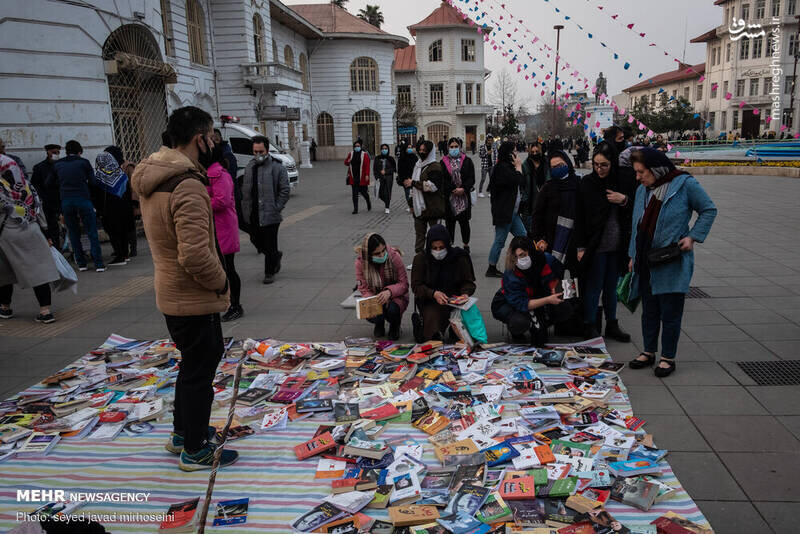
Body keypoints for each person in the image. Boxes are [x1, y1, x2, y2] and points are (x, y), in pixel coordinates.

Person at [131, 106, 238, 471]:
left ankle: (183, 433)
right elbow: (194, 254)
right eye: (211, 137)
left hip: (171, 292)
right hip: (192, 297)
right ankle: (195, 449)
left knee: (190, 367)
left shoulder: (156, 176)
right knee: (200, 372)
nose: (214, 144)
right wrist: (222, 282)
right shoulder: (187, 184)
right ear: (199, 139)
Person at [627, 148, 717, 377]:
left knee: (670, 312)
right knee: (648, 311)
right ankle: (648, 352)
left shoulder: (684, 184)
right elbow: (636, 225)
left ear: (655, 169)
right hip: (645, 260)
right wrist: (632, 255)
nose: (638, 177)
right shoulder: (642, 190)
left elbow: (708, 209)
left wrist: (692, 237)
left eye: (641, 172)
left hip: (671, 260)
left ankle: (668, 357)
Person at [575, 142, 635, 341]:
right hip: (596, 245)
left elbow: (636, 207)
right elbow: (580, 217)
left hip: (618, 245)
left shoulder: (622, 181)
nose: (599, 169)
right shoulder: (587, 184)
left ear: (613, 163)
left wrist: (623, 199)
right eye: (596, 164)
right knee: (594, 286)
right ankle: (590, 324)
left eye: (604, 165)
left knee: (611, 287)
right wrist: (580, 246)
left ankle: (612, 323)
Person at [0, 155, 59, 324]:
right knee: (38, 271)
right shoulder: (26, 185)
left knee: (4, 272)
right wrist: (46, 233)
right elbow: (38, 207)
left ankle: (5, 307)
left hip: (7, 233)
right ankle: (45, 311)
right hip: (32, 230)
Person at [491, 236, 565, 346]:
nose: (520, 260)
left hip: (538, 295)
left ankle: (543, 322)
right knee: (519, 323)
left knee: (564, 308)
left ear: (531, 252)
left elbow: (557, 274)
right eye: (516, 257)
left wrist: (556, 288)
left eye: (523, 255)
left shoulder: (545, 259)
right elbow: (522, 303)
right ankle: (517, 330)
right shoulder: (511, 274)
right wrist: (548, 300)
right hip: (511, 302)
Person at [411, 224, 476, 341]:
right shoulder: (421, 259)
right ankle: (434, 331)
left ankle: (455, 330)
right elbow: (416, 286)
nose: (438, 251)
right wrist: (433, 293)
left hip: (455, 301)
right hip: (431, 301)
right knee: (433, 333)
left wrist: (465, 294)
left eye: (441, 247)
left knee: (462, 336)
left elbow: (468, 282)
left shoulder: (459, 257)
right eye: (434, 248)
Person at [241, 135, 290, 284]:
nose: (258, 155)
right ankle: (275, 255)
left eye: (261, 151)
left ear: (267, 150)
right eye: (255, 152)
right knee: (255, 239)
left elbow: (285, 190)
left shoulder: (277, 167)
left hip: (270, 213)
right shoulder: (250, 166)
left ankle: (269, 272)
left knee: (270, 242)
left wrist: (277, 207)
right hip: (253, 212)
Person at [54, 140, 105, 272]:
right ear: (79, 151)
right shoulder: (83, 162)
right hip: (82, 198)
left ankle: (81, 263)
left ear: (66, 151)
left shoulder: (58, 164)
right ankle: (98, 263)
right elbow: (93, 182)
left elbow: (50, 182)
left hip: (66, 200)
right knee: (91, 231)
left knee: (73, 232)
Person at [207, 143, 242, 322]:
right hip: (214, 229)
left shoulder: (219, 174)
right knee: (220, 268)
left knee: (228, 268)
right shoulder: (208, 174)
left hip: (223, 229)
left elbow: (222, 201)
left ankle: (236, 305)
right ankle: (226, 303)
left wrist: (199, 203)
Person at [531, 149, 580, 271]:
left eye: (560, 165)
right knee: (555, 280)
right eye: (554, 167)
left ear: (567, 163)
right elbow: (537, 215)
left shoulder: (579, 184)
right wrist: (539, 238)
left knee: (575, 280)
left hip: (575, 241)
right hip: (552, 242)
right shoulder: (548, 187)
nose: (558, 169)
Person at [354, 233, 409, 340]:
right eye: (377, 253)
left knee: (393, 310)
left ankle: (395, 326)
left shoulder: (394, 256)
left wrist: (389, 292)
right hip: (375, 296)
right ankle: (379, 324)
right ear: (369, 254)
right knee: (372, 310)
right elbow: (363, 287)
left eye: (383, 251)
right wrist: (374, 299)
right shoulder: (361, 263)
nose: (382, 255)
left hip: (396, 296)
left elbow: (404, 284)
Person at [486, 141, 526, 278]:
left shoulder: (507, 166)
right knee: (500, 241)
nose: (516, 154)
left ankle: (520, 262)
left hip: (512, 212)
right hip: (504, 212)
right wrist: (519, 166)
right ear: (508, 153)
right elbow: (517, 180)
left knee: (523, 236)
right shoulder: (502, 168)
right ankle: (491, 267)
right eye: (514, 151)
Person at [92, 146, 135, 266]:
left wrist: (99, 209)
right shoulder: (121, 174)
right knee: (123, 231)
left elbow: (96, 196)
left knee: (113, 233)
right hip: (124, 209)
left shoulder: (100, 178)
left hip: (109, 211)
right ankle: (125, 254)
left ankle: (119, 256)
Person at [404, 140, 445, 254]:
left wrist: (414, 183)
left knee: (435, 235)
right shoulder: (417, 165)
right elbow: (413, 191)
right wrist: (411, 204)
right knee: (420, 235)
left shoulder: (435, 166)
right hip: (419, 208)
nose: (422, 152)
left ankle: (435, 257)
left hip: (433, 207)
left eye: (424, 150)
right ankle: (419, 259)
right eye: (420, 150)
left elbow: (432, 186)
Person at [441, 138, 475, 254]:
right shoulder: (443, 162)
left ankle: (466, 245)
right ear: (448, 148)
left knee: (464, 223)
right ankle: (450, 245)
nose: (454, 149)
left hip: (464, 198)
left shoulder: (467, 161)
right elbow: (443, 180)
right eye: (451, 147)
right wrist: (453, 189)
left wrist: (463, 188)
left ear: (460, 147)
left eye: (456, 146)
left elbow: (471, 178)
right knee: (449, 224)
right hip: (450, 198)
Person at [31, 144, 62, 249]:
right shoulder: (40, 167)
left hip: (61, 200)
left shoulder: (62, 165)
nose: (56, 155)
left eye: (58, 152)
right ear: (48, 152)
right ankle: (56, 249)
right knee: (52, 228)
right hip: (48, 202)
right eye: (54, 152)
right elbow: (35, 186)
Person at [520, 142, 548, 233]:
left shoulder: (546, 164)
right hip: (529, 206)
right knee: (530, 234)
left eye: (537, 151)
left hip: (545, 204)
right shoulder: (525, 165)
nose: (535, 154)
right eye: (532, 152)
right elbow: (522, 186)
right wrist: (525, 198)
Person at [344, 139, 371, 214]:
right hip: (353, 176)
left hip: (362, 176)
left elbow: (367, 166)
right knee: (354, 193)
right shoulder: (351, 154)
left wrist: (367, 175)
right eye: (355, 146)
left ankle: (368, 202)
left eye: (358, 146)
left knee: (364, 192)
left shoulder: (364, 154)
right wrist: (348, 161)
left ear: (361, 146)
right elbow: (345, 162)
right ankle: (355, 209)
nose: (357, 147)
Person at [373, 143, 396, 214]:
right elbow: (375, 169)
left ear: (388, 149)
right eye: (383, 149)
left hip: (389, 178)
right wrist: (377, 177)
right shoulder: (377, 158)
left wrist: (386, 171)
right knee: (380, 193)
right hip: (380, 178)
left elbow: (394, 169)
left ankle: (387, 207)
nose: (384, 150)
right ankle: (387, 201)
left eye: (386, 149)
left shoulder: (391, 158)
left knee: (387, 192)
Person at [396, 140, 417, 210]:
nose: (410, 149)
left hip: (413, 178)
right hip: (405, 179)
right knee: (407, 193)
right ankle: (410, 205)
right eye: (408, 147)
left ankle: (414, 205)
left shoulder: (414, 157)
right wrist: (404, 179)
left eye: (411, 147)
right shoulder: (402, 158)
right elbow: (400, 170)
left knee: (414, 193)